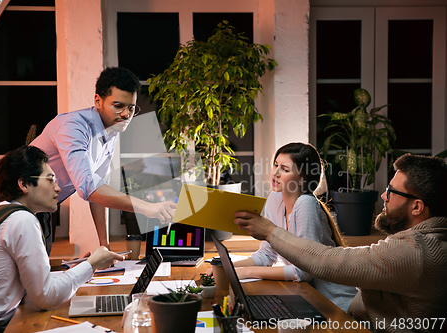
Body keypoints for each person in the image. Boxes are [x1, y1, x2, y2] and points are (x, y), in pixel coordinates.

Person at [234, 153, 447, 332]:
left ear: (417, 207)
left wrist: (270, 232)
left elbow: (327, 261)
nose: (383, 195)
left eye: (391, 191)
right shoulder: (424, 241)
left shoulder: (419, 250)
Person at [0, 146, 124, 332]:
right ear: (23, 185)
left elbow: (30, 282)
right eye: (50, 180)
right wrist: (92, 265)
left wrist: (80, 267)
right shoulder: (22, 220)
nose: (58, 187)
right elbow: (45, 296)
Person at [31, 67, 176, 249]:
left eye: (131, 108)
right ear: (98, 101)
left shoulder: (112, 130)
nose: (126, 114)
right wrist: (146, 207)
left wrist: (104, 246)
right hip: (17, 202)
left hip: (42, 209)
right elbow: (88, 188)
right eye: (118, 106)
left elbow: (98, 189)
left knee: (40, 275)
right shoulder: (73, 127)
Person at [209, 142, 356, 311]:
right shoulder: (274, 199)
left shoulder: (306, 204)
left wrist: (246, 272)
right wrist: (227, 267)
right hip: (308, 298)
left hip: (334, 305)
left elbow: (303, 271)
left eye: (285, 169)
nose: (276, 173)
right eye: (275, 165)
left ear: (302, 178)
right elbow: (266, 255)